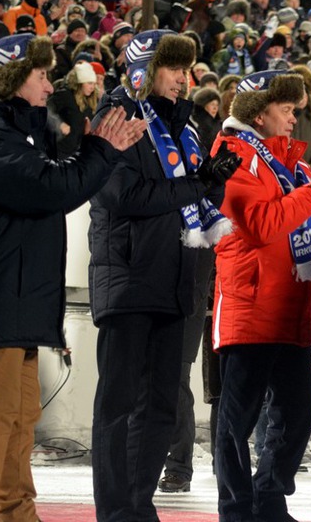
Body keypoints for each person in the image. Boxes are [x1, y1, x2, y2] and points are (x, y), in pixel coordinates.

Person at [0, 33, 145, 521]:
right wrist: (100, 150)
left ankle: (16, 512)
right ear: (13, 78)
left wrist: (94, 147)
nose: (48, 85)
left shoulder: (16, 132)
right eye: (40, 75)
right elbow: (54, 189)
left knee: (20, 416)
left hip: (18, 297)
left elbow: (58, 181)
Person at [89, 30, 241, 522]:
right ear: (144, 72)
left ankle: (138, 506)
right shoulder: (116, 115)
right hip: (129, 276)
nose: (183, 78)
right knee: (118, 405)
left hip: (176, 279)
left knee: (160, 405)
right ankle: (116, 510)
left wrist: (213, 182)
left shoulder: (185, 128)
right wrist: (197, 184)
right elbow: (122, 196)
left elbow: (197, 201)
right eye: (173, 68)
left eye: (186, 69)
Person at [211, 70, 311, 522]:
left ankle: (269, 500)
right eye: (286, 109)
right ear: (259, 113)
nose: (294, 118)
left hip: (292, 310)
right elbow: (261, 226)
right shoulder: (233, 156)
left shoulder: (292, 165)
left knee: (296, 417)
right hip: (250, 308)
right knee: (237, 423)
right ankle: (236, 510)